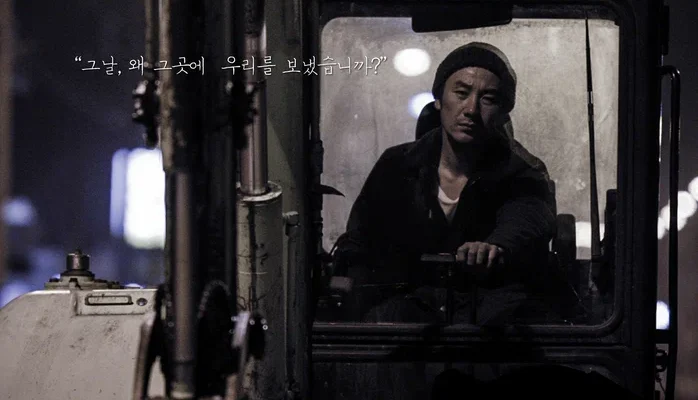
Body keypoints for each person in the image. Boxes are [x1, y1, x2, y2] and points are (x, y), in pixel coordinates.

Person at [331, 42, 560, 324]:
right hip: (408, 312)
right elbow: (361, 236)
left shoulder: (522, 171)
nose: (471, 109)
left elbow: (529, 215)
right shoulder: (397, 165)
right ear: (439, 99)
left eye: (488, 98)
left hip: (485, 314)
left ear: (503, 112)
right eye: (461, 93)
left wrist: (494, 247)